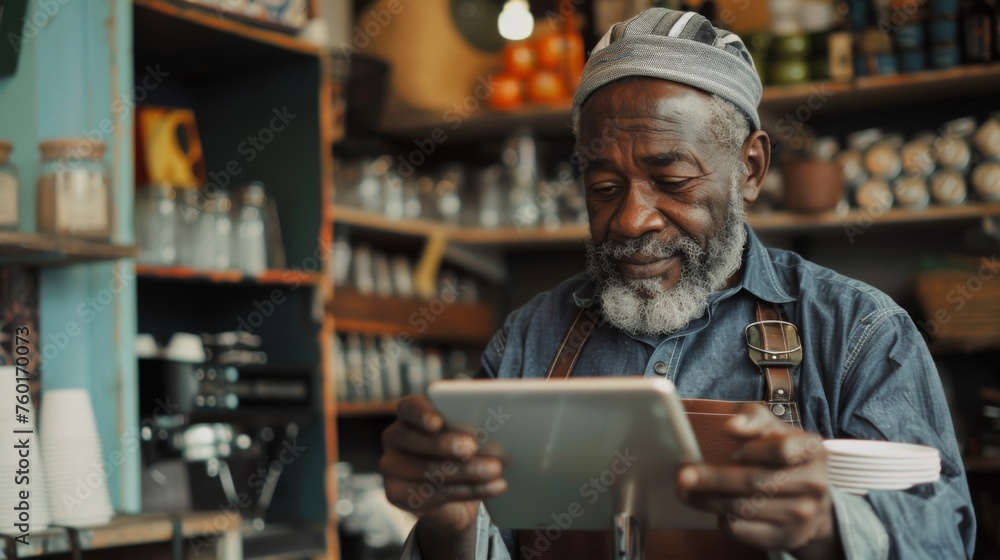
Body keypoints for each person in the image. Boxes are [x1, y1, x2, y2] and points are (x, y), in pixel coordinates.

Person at [380, 7, 975, 560]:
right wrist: (450, 527)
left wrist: (831, 527)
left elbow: (945, 535)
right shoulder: (530, 339)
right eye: (604, 187)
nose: (632, 220)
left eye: (672, 180)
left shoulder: (856, 334)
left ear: (750, 168)